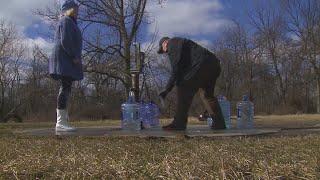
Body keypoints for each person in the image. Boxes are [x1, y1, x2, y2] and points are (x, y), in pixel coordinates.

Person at [158, 37, 226, 130]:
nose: (165, 52)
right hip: (214, 64)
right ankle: (219, 124)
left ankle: (179, 124)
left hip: (201, 64)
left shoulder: (172, 43)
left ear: (165, 43)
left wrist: (167, 89)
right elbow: (182, 67)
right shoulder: (183, 45)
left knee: (182, 86)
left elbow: (176, 69)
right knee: (207, 95)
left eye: (163, 49)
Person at [49, 0, 83, 132]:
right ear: (70, 9)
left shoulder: (70, 21)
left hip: (66, 57)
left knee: (67, 86)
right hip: (65, 57)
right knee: (65, 86)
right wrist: (74, 55)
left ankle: (64, 119)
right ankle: (61, 122)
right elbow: (66, 40)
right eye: (76, 9)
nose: (78, 11)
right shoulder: (66, 21)